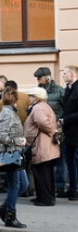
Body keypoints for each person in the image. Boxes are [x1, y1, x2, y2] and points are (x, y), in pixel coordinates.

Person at [0, 88, 29, 228]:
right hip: (10, 154)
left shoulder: (10, 111)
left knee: (23, 184)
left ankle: (3, 208)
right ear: (15, 99)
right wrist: (17, 141)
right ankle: (10, 216)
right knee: (15, 185)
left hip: (16, 154)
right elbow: (2, 136)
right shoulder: (7, 113)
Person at [24, 87, 60, 206]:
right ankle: (45, 197)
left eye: (30, 95)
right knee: (46, 173)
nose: (29, 98)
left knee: (42, 173)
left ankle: (45, 199)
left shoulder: (38, 107)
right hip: (46, 146)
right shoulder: (45, 106)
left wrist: (51, 131)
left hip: (42, 146)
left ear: (36, 97)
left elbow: (43, 123)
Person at [34, 67, 67, 197]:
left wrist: (61, 122)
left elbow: (67, 108)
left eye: (39, 77)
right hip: (43, 132)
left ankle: (60, 187)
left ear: (47, 77)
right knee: (47, 160)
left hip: (58, 130)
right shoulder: (38, 91)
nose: (37, 80)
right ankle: (49, 188)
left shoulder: (59, 91)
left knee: (59, 159)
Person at [61, 65, 78, 201]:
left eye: (66, 73)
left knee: (75, 162)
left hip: (76, 132)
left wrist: (65, 119)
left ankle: (76, 189)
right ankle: (72, 188)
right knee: (70, 162)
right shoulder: (68, 89)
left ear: (73, 74)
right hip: (69, 132)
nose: (63, 76)